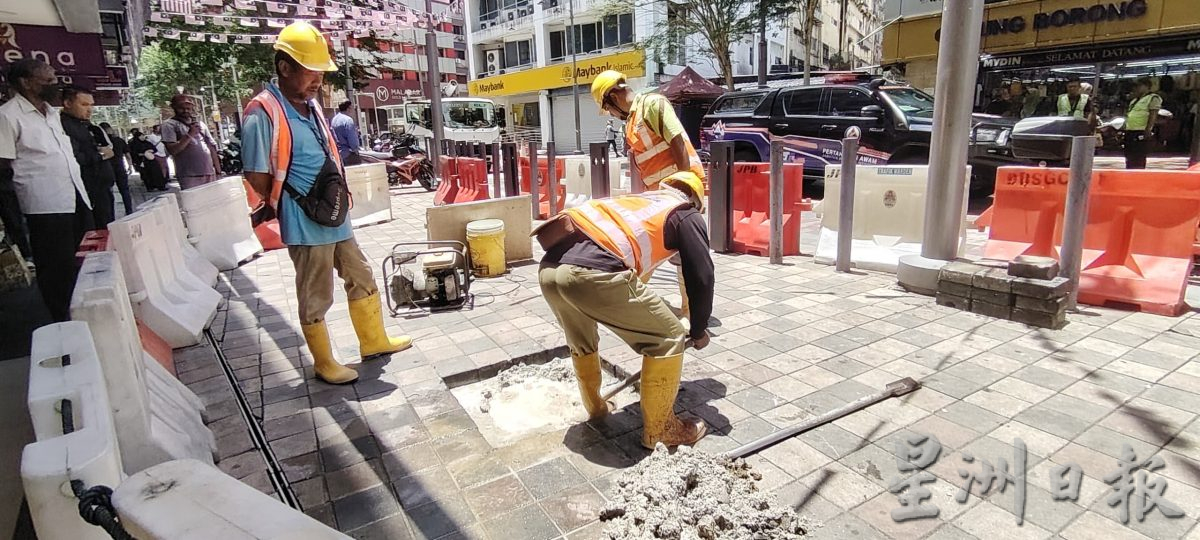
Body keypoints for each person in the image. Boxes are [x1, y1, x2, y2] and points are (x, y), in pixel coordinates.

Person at [241, 21, 412, 385]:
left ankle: (374, 341)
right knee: (316, 291)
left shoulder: (312, 105)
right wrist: (293, 199)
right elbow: (256, 174)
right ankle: (324, 362)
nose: (318, 79)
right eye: (310, 70)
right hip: (304, 216)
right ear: (285, 68)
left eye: (321, 71)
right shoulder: (263, 111)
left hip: (335, 214)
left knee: (360, 274)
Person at [537, 171, 712, 448]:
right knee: (668, 337)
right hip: (591, 275)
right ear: (693, 199)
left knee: (582, 341)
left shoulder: (637, 203)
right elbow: (701, 274)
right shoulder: (685, 212)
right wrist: (699, 328)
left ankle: (596, 409)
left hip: (549, 271)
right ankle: (662, 430)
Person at [0, 59, 94, 321]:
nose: (55, 85)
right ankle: (65, 320)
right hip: (45, 204)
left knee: (83, 261)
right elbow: (3, 164)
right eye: (48, 80)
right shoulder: (8, 115)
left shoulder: (52, 114)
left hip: (74, 195)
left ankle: (88, 311)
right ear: (25, 82)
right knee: (57, 269)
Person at [591, 70, 704, 187]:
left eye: (608, 108)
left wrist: (684, 186)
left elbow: (677, 141)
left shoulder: (652, 104)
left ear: (614, 98)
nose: (611, 114)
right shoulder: (633, 121)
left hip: (682, 190)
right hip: (663, 194)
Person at [60, 86, 115, 228]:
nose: (90, 109)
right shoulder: (64, 126)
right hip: (88, 191)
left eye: (91, 105)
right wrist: (101, 155)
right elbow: (74, 157)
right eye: (84, 104)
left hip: (102, 188)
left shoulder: (86, 125)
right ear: (68, 103)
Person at [162, 94, 221, 189]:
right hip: (189, 175)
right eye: (181, 108)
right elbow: (172, 150)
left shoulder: (200, 124)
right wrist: (190, 134)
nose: (186, 111)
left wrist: (218, 171)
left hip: (209, 172)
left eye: (188, 108)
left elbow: (211, 147)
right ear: (174, 108)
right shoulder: (169, 125)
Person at [1124, 77, 1161, 170]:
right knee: (1129, 155)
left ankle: (1137, 172)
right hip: (1130, 131)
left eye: (1139, 86)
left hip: (1140, 131)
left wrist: (1148, 130)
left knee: (1138, 155)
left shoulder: (1153, 98)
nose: (1136, 89)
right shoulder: (1134, 100)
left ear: (1146, 86)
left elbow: (1153, 115)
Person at [100, 122, 133, 215]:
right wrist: (130, 166)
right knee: (124, 190)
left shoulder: (101, 142)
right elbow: (127, 154)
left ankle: (111, 213)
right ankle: (129, 210)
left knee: (108, 192)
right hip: (119, 167)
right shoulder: (119, 140)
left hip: (106, 169)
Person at [330, 100, 362, 165]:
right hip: (349, 154)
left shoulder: (334, 120)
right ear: (348, 108)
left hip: (338, 154)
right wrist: (356, 150)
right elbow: (352, 139)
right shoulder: (348, 120)